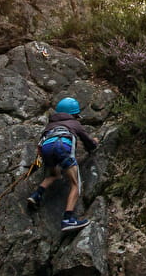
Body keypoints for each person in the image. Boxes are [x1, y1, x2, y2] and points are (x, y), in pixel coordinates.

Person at [27, 97, 98, 232]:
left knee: (54, 174)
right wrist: (95, 142)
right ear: (73, 114)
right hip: (62, 146)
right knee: (76, 184)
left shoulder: (50, 126)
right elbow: (88, 143)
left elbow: (40, 146)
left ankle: (36, 195)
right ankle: (68, 219)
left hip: (47, 148)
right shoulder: (74, 123)